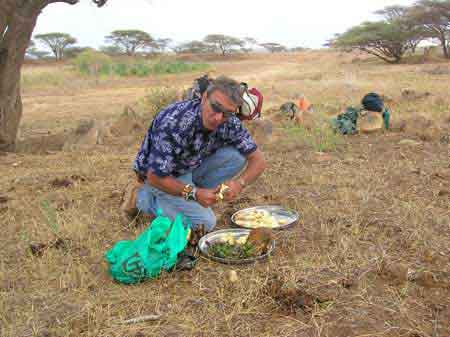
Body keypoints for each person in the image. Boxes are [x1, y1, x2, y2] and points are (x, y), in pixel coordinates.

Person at [125, 76, 267, 234]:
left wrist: (239, 184)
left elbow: (258, 160)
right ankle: (143, 200)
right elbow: (155, 176)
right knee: (206, 224)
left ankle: (192, 200)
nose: (219, 118)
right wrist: (194, 193)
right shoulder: (174, 122)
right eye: (216, 107)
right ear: (204, 97)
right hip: (159, 177)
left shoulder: (229, 121)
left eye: (227, 113)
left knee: (237, 157)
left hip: (189, 168)